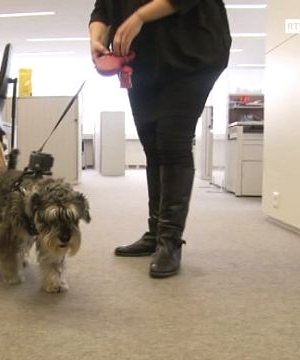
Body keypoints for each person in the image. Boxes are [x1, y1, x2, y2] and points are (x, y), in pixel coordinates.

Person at [89, 0, 231, 278]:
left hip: (191, 53)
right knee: (152, 145)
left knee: (172, 141)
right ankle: (155, 233)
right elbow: (103, 9)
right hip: (141, 61)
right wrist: (97, 38)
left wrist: (139, 16)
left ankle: (170, 241)